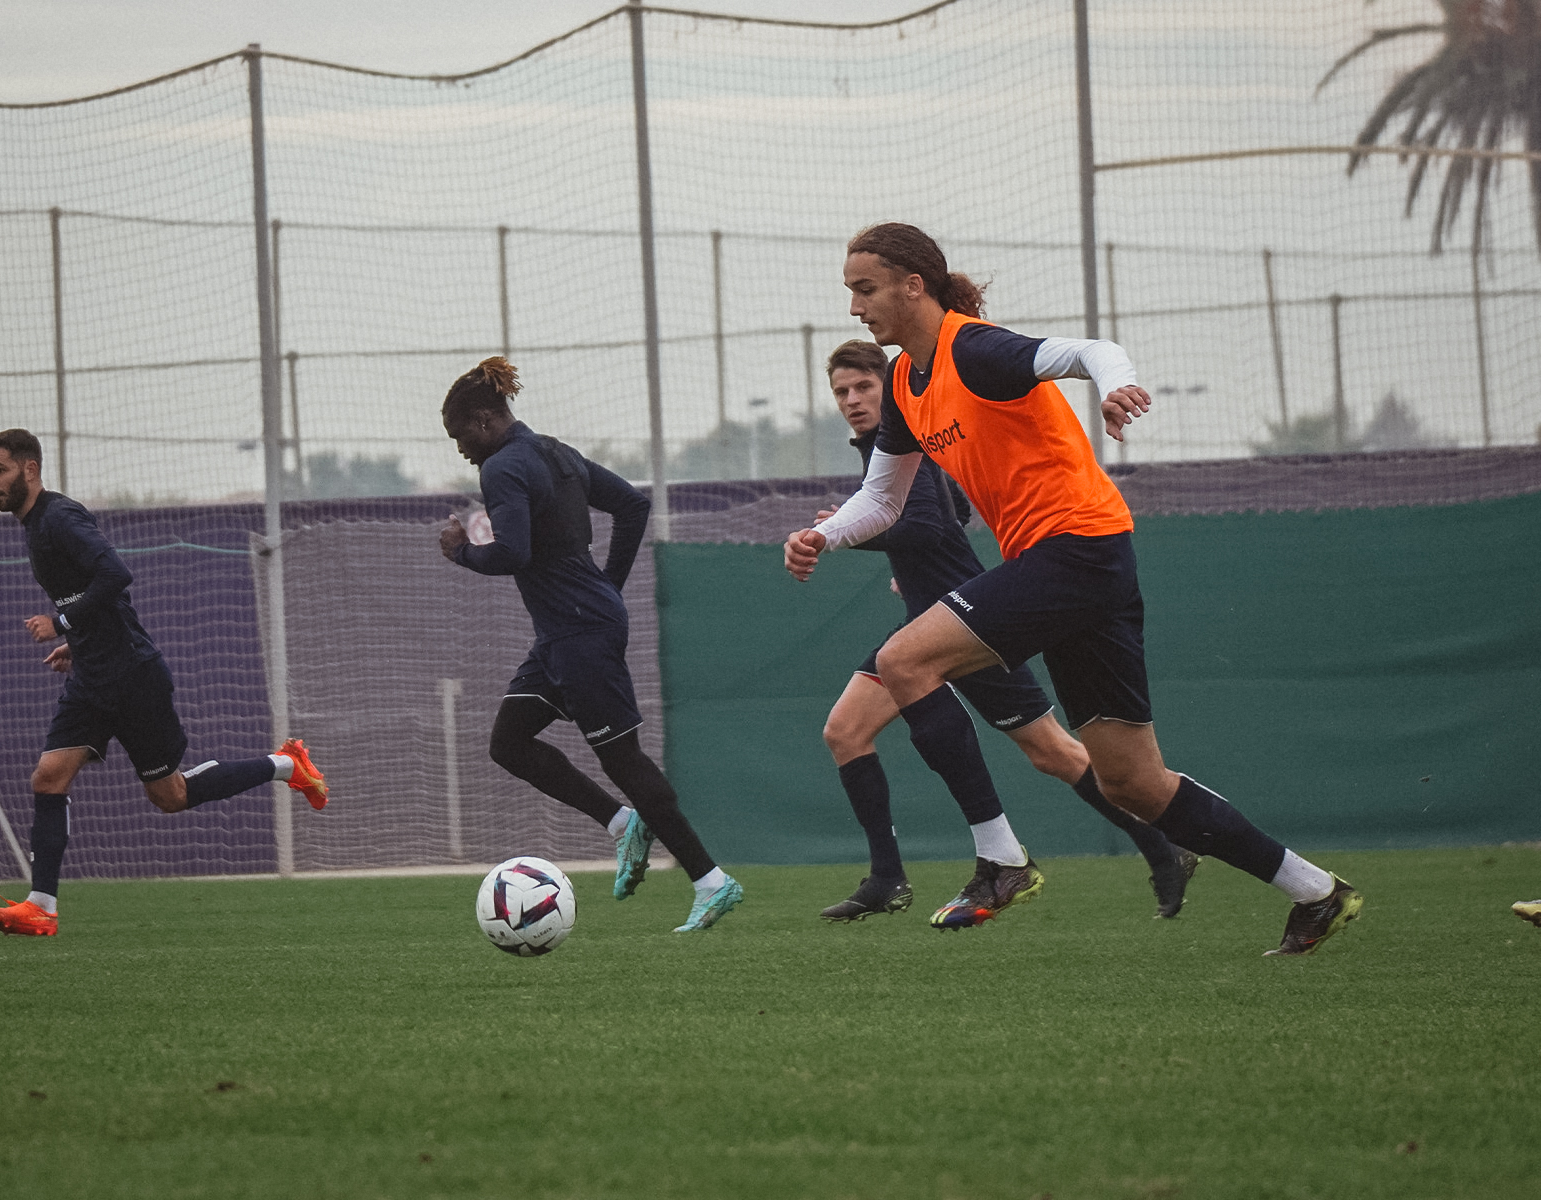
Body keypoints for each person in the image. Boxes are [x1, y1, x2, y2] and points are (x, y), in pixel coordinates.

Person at [785, 223, 1363, 956]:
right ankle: (1316, 892)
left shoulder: (976, 349)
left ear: (912, 286)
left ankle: (1000, 859)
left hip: (1079, 551)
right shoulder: (904, 381)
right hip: (1072, 568)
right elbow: (883, 500)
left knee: (904, 661)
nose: (855, 306)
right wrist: (824, 535)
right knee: (1134, 786)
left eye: (863, 289)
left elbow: (1087, 351)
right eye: (850, 292)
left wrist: (1115, 383)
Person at [816, 339, 1197, 924]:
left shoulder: (903, 441)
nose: (852, 399)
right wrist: (907, 566)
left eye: (864, 386)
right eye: (841, 391)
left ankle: (1161, 842)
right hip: (924, 621)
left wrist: (856, 535)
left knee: (1055, 754)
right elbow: (951, 514)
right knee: (845, 730)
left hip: (969, 621)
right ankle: (888, 878)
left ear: (887, 386)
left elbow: (921, 521)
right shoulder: (883, 451)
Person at [0, 429, 326, 938]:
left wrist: (63, 624)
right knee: (48, 777)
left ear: (30, 469)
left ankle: (286, 764)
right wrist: (79, 644)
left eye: (0, 470)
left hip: (132, 678)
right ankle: (41, 906)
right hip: (93, 677)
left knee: (170, 796)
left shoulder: (59, 517)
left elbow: (115, 575)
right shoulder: (33, 525)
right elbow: (103, 601)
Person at [437, 357, 742, 933]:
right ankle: (623, 825)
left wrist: (461, 551)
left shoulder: (503, 467)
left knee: (623, 758)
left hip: (580, 635)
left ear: (481, 421)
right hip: (566, 632)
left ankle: (711, 881)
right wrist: (610, 586)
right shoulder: (556, 451)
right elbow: (632, 505)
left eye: (460, 438)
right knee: (509, 742)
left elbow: (513, 554)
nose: (461, 451)